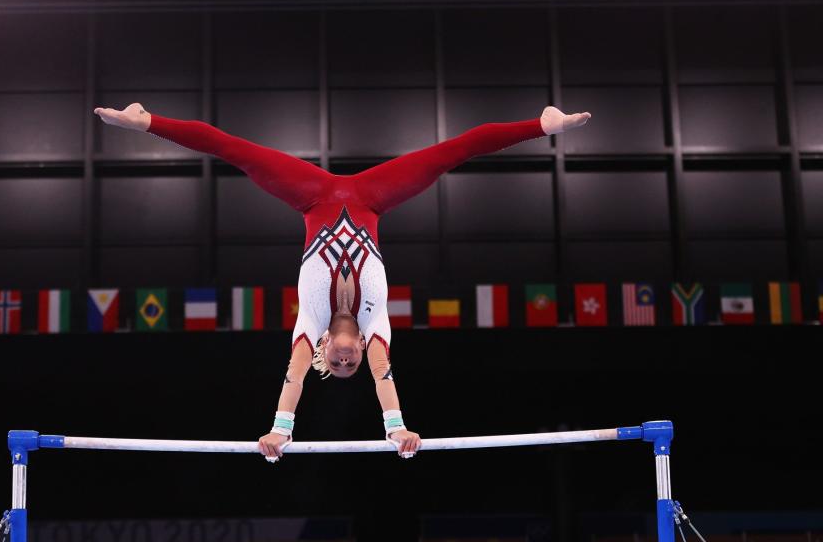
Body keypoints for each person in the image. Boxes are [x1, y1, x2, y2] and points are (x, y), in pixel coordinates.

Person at [93, 103, 590, 462]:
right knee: (448, 154)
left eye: (337, 362)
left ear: (324, 351)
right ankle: (540, 124)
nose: (348, 359)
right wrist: (397, 429)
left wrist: (279, 431)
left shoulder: (310, 327)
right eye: (351, 363)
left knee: (236, 151)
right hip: (371, 200)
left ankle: (146, 121)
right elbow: (384, 377)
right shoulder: (376, 330)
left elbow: (293, 381)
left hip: (313, 199)